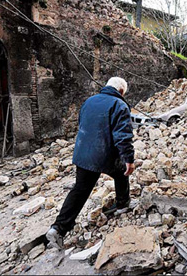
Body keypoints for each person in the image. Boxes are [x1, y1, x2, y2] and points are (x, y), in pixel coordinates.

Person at [46, 77, 135, 249]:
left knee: (80, 190)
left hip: (83, 154)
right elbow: (123, 136)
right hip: (104, 155)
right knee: (122, 172)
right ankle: (123, 204)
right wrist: (129, 160)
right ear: (121, 91)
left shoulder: (89, 101)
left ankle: (58, 228)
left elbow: (82, 124)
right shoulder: (119, 105)